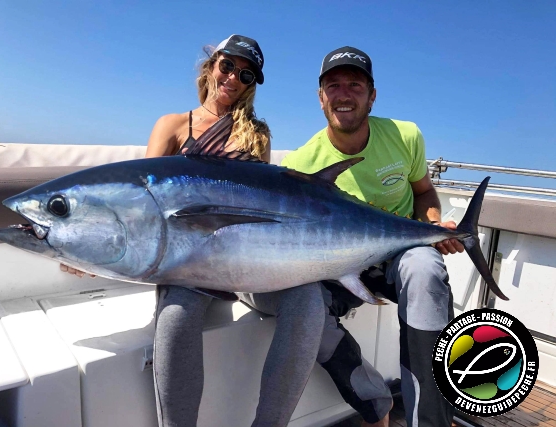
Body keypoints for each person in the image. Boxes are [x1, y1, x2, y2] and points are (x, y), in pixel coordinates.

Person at [62, 35, 326, 427]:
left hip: (249, 265)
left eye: (246, 74)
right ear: (211, 65)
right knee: (176, 316)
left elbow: (264, 207)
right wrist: (87, 248)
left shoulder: (257, 135)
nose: (233, 78)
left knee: (307, 300)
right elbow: (140, 204)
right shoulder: (171, 125)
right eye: (228, 66)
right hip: (187, 265)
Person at [281, 46, 465, 427]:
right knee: (302, 306)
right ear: (320, 98)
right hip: (338, 262)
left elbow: (425, 193)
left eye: (355, 84)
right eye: (333, 86)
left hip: (400, 251)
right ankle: (376, 403)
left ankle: (428, 421)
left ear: (372, 95)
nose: (344, 94)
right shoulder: (298, 165)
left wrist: (433, 224)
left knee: (425, 269)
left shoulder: (405, 136)